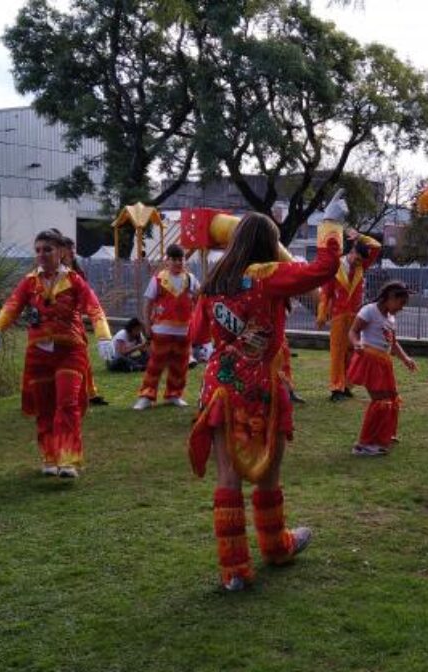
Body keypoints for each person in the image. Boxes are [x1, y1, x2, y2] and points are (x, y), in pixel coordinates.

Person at [187, 208, 349, 591]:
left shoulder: (213, 283)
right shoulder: (267, 277)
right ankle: (277, 546)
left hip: (220, 386)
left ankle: (234, 570)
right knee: (269, 471)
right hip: (260, 387)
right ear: (269, 244)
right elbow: (324, 269)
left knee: (227, 476)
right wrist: (330, 224)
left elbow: (196, 333)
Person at [0, 229, 114, 479]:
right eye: (38, 250)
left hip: (70, 350)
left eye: (48, 249)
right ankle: (49, 456)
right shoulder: (29, 281)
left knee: (67, 402)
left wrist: (104, 335)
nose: (42, 254)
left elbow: (94, 308)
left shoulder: (75, 280)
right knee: (44, 407)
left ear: (61, 252)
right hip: (38, 354)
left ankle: (67, 459)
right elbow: (11, 306)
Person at [347, 281, 417, 456]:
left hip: (384, 363)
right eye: (401, 303)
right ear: (391, 298)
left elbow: (393, 344)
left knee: (391, 399)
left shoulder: (391, 318)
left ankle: (384, 434)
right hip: (370, 360)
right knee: (380, 401)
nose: (402, 308)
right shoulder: (369, 310)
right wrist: (356, 344)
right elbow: (353, 331)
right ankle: (364, 444)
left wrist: (406, 359)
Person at [317, 218, 381, 402]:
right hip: (338, 315)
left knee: (352, 352)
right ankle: (336, 389)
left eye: (362, 261)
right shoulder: (335, 267)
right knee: (337, 352)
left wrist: (360, 237)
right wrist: (322, 313)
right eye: (357, 259)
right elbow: (326, 292)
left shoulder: (362, 265)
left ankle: (346, 385)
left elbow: (376, 247)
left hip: (355, 316)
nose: (358, 263)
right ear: (351, 252)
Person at [133, 244, 199, 410]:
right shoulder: (158, 279)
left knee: (180, 366)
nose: (178, 263)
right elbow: (147, 303)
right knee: (155, 365)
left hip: (184, 331)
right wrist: (147, 325)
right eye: (174, 259)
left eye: (180, 259)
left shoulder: (191, 279)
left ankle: (174, 394)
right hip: (161, 330)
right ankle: (146, 396)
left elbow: (199, 300)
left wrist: (197, 323)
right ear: (167, 261)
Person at [53, 230, 109, 407]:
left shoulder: (77, 273)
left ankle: (89, 392)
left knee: (82, 357)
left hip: (74, 323)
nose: (72, 251)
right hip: (53, 324)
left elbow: (87, 298)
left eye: (73, 248)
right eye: (68, 248)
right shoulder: (49, 271)